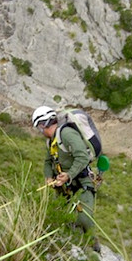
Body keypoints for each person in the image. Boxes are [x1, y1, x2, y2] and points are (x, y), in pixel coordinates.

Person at [32, 106, 100, 253]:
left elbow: (82, 157)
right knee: (61, 215)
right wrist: (49, 176)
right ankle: (70, 244)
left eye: (39, 127)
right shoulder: (51, 142)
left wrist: (69, 175)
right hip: (64, 185)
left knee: (84, 218)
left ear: (44, 124)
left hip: (82, 180)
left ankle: (93, 245)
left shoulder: (66, 134)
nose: (40, 131)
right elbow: (48, 161)